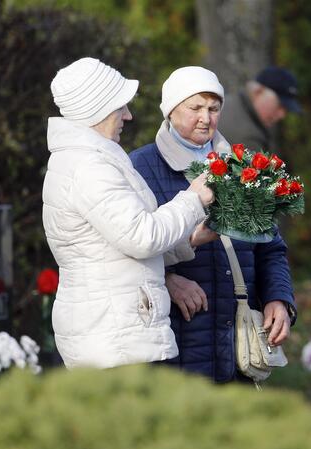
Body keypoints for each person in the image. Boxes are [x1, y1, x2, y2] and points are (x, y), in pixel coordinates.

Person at [42, 57, 215, 369]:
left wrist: (189, 240)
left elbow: (115, 247)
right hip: (115, 340)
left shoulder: (94, 158)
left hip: (116, 333)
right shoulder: (89, 166)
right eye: (120, 106)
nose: (128, 115)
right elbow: (141, 237)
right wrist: (193, 199)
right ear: (97, 108)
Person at [130, 66, 297, 383]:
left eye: (213, 108)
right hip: (177, 347)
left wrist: (278, 298)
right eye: (195, 108)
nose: (205, 118)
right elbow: (124, 250)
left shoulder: (245, 166)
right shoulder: (140, 167)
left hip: (238, 347)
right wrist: (166, 279)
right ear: (170, 111)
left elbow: (271, 248)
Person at [217, 65, 301, 152]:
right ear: (258, 91)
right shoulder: (249, 139)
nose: (282, 115)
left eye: (285, 109)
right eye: (279, 105)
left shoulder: (226, 102)